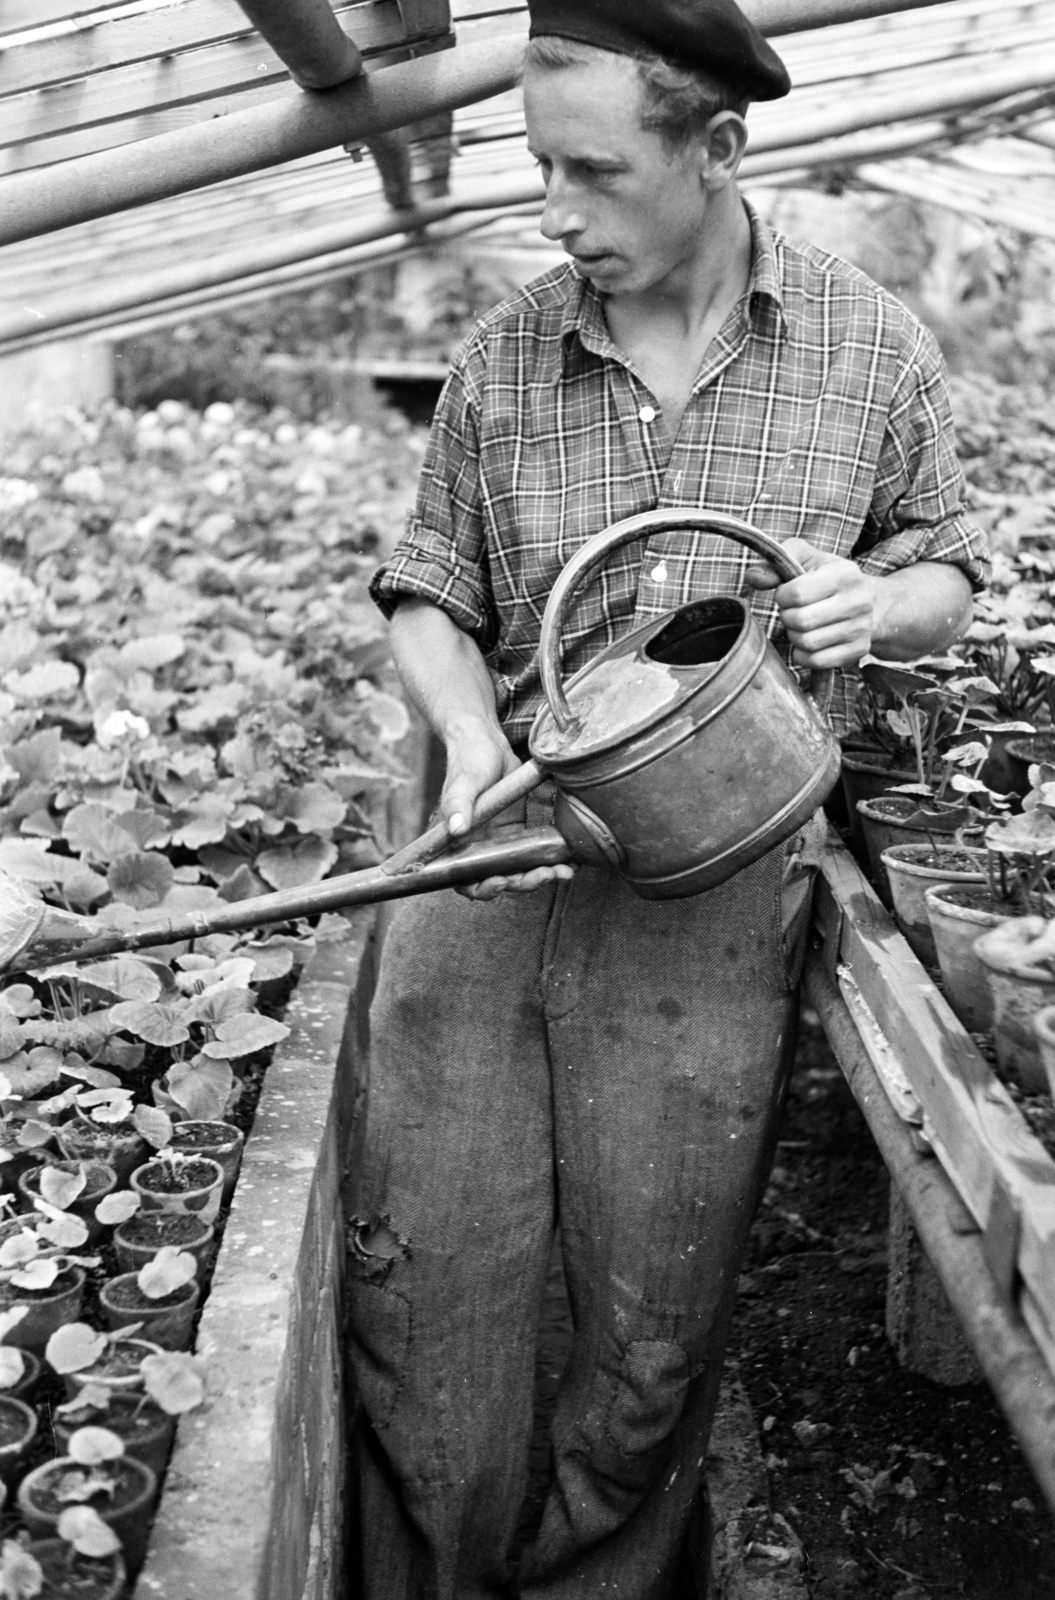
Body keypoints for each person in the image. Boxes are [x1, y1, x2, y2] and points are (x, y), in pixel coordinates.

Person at [348, 2, 989, 1595]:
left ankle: (601, 1578)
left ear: (715, 150)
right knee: (431, 1297)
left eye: (592, 170)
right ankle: (438, 1570)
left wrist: (877, 605)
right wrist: (468, 739)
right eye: (534, 165)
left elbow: (957, 568)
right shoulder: (511, 349)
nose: (555, 211)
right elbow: (428, 583)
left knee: (653, 1326)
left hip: (709, 910)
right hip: (494, 873)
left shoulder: (869, 347)